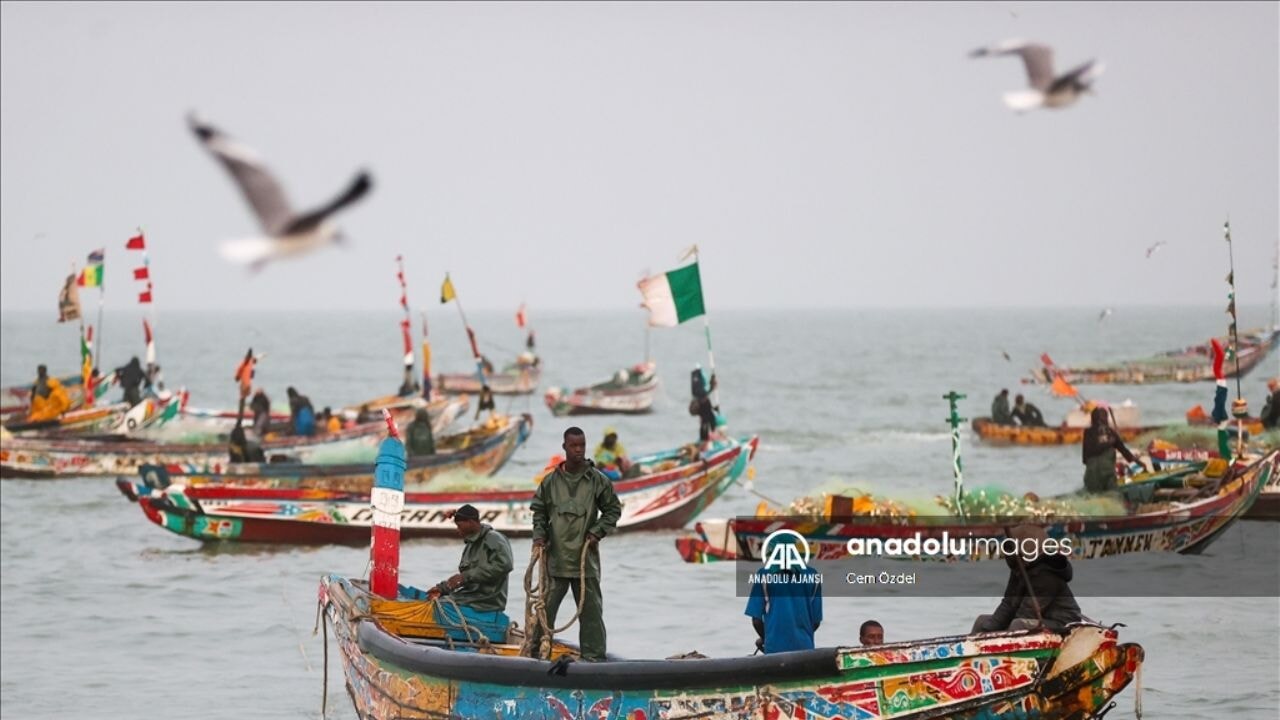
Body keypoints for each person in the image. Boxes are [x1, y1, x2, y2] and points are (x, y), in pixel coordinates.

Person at [527, 427, 624, 662]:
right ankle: (535, 655)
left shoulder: (597, 480)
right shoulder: (550, 482)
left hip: (584, 560)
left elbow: (613, 510)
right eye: (574, 446)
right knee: (545, 610)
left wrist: (596, 532)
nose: (579, 450)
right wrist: (539, 536)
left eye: (582, 445)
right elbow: (539, 512)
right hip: (556, 559)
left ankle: (594, 659)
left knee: (591, 612)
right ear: (565, 447)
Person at [425, 504, 514, 642]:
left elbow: (505, 565)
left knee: (440, 607)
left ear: (471, 522)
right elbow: (464, 578)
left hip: (486, 600)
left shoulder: (494, 538)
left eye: (460, 526)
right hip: (470, 596)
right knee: (432, 600)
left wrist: (465, 576)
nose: (458, 530)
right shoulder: (471, 545)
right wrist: (442, 588)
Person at [972, 525, 1083, 634]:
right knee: (982, 621)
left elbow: (1028, 613)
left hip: (1062, 623)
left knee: (1018, 624)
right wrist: (986, 630)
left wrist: (997, 634)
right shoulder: (1020, 569)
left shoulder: (1046, 576)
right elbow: (1008, 604)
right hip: (1036, 619)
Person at [744, 547, 823, 654]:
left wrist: (766, 639)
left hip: (774, 650)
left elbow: (756, 621)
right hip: (805, 649)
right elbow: (816, 622)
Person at [1082, 406, 1139, 492]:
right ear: (1106, 418)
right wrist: (1139, 462)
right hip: (1108, 474)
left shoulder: (1087, 432)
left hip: (1091, 476)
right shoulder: (1111, 433)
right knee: (1113, 494)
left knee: (1093, 494)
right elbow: (1125, 452)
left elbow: (1084, 459)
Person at [690, 365, 721, 443]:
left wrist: (712, 383)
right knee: (707, 421)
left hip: (703, 404)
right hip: (703, 405)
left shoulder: (695, 378)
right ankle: (707, 439)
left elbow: (705, 389)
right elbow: (704, 391)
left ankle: (707, 438)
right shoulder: (698, 378)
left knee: (708, 420)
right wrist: (712, 384)